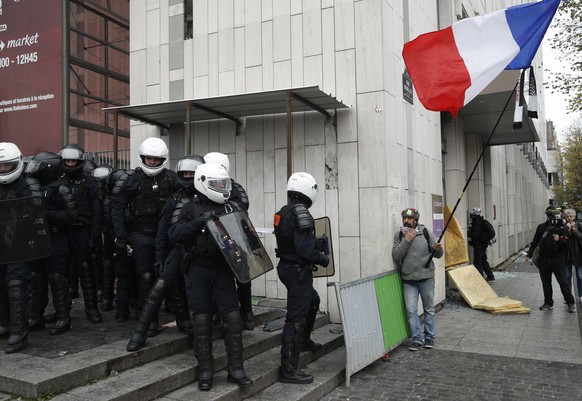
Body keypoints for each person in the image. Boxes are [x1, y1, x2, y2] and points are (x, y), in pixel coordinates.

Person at [168, 162, 252, 391]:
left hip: (224, 269)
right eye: (216, 184)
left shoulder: (231, 207)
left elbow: (245, 239)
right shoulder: (189, 206)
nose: (222, 188)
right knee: (202, 321)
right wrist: (200, 221)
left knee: (233, 319)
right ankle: (206, 370)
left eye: (224, 184)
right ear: (203, 182)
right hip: (198, 268)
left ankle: (236, 369)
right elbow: (174, 233)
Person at [125, 155, 203, 352]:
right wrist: (160, 257)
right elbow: (162, 229)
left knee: (200, 294)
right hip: (180, 249)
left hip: (205, 252)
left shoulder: (211, 196)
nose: (187, 177)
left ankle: (195, 332)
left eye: (191, 174)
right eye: (184, 174)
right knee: (161, 285)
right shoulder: (174, 199)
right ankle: (140, 332)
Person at [111, 137, 177, 325]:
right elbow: (117, 206)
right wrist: (121, 236)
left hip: (165, 234)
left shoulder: (171, 178)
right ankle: (145, 317)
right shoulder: (131, 179)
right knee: (146, 276)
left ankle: (175, 313)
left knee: (167, 275)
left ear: (163, 159)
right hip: (141, 233)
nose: (152, 162)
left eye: (156, 159)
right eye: (149, 158)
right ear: (142, 157)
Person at [273, 172, 329, 385]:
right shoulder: (302, 214)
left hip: (287, 267)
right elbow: (305, 250)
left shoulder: (283, 212)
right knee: (295, 319)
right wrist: (322, 257)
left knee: (313, 301)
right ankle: (288, 369)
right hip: (297, 271)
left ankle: (303, 341)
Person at [25, 151, 78, 335]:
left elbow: (71, 216)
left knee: (56, 278)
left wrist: (45, 214)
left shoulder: (61, 188)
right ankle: (36, 317)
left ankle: (63, 318)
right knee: (37, 278)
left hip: (56, 239)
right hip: (38, 239)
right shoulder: (32, 186)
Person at [204, 152, 254, 330]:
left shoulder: (236, 188)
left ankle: (247, 312)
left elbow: (242, 211)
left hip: (233, 238)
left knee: (243, 276)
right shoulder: (202, 187)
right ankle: (218, 313)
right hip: (212, 240)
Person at [0, 143, 43, 353]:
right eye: (0, 166)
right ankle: (5, 324)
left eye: (7, 165)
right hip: (1, 245)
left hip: (21, 246)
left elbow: (36, 216)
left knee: (17, 286)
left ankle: (19, 334)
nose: (3, 170)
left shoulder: (28, 186)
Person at [59, 144, 103, 323]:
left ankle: (91, 308)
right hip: (63, 231)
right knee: (60, 271)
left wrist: (94, 235)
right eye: (67, 161)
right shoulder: (58, 181)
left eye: (73, 161)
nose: (70, 164)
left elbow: (97, 210)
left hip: (82, 230)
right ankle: (63, 310)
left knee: (86, 269)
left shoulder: (90, 182)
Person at [392, 207, 443, 352]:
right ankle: (417, 339)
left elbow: (438, 254)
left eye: (409, 219)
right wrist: (407, 240)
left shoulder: (426, 233)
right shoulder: (400, 236)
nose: (406, 221)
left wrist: (438, 249)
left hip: (426, 278)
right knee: (411, 311)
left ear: (416, 220)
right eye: (404, 218)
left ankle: (429, 338)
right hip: (409, 280)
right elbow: (396, 255)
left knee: (429, 309)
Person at [525, 204, 576, 312]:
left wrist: (560, 239)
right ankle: (548, 302)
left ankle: (570, 302)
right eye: (552, 214)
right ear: (548, 215)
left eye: (557, 214)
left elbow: (567, 242)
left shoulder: (563, 227)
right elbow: (535, 242)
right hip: (544, 259)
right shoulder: (541, 227)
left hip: (558, 259)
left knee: (563, 282)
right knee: (546, 282)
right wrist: (529, 254)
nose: (555, 217)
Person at [468, 207, 496, 281]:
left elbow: (476, 234)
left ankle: (480, 278)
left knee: (477, 261)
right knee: (483, 260)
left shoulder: (476, 222)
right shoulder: (480, 220)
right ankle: (490, 275)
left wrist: (467, 233)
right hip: (483, 244)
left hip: (479, 245)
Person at [563, 208, 582, 304]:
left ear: (574, 217)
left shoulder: (579, 225)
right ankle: (568, 297)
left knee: (580, 276)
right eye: (567, 216)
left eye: (571, 216)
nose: (569, 218)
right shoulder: (564, 226)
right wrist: (567, 229)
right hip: (567, 255)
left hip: (578, 254)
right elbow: (562, 240)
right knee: (567, 276)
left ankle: (581, 295)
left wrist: (575, 231)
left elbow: (580, 237)